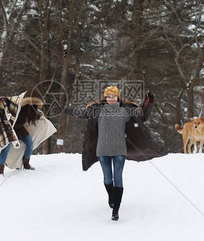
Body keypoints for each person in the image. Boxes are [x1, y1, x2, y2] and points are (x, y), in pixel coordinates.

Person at [61, 85, 166, 221]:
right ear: (105, 97)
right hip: (102, 150)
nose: (111, 98)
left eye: (113, 96)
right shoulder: (97, 110)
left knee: (118, 178)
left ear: (118, 97)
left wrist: (149, 101)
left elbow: (143, 116)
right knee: (107, 178)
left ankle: (116, 210)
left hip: (119, 150)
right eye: (108, 96)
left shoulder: (125, 111)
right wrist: (61, 109)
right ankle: (111, 197)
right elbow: (78, 112)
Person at [0, 89, 55, 175]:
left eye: (33, 102)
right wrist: (6, 113)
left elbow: (37, 117)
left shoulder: (33, 109)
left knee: (29, 143)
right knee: (6, 147)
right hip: (9, 128)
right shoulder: (17, 105)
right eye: (29, 101)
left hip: (20, 129)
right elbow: (3, 100)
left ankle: (26, 163)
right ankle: (0, 171)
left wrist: (44, 121)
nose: (30, 104)